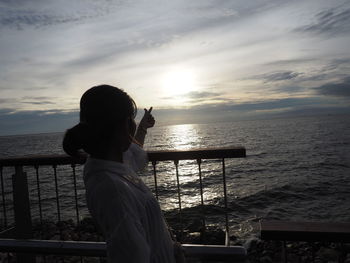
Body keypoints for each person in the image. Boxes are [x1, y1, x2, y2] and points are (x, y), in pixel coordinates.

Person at [62, 85, 184, 263]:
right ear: (122, 126)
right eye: (130, 120)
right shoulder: (113, 189)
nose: (132, 125)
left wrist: (142, 128)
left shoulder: (108, 165)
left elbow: (131, 155)